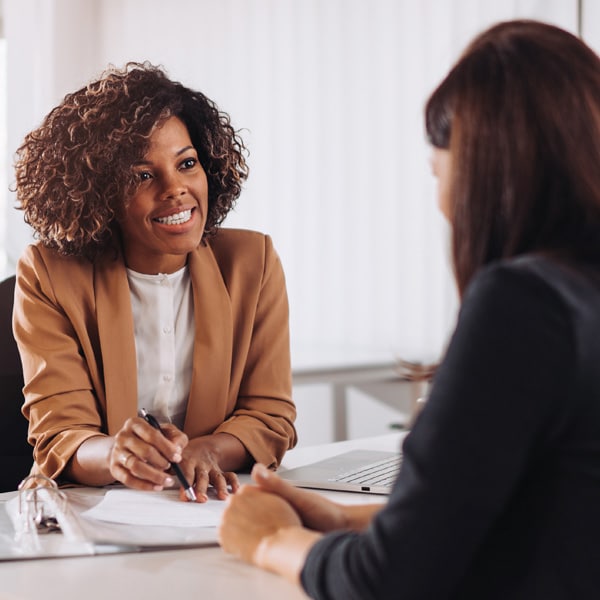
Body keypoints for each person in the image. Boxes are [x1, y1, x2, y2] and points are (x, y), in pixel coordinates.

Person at [218, 19, 600, 598]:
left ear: (483, 164)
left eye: (440, 157)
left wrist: (273, 541)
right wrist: (348, 521)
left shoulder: (524, 306)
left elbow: (392, 582)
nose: (435, 180)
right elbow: (548, 513)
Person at [12, 62, 297, 502]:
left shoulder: (251, 263)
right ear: (100, 192)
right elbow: (61, 434)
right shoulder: (49, 273)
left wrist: (208, 450)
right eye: (143, 175)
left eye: (187, 163)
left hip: (207, 508)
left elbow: (270, 416)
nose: (176, 188)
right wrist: (115, 455)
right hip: (89, 513)